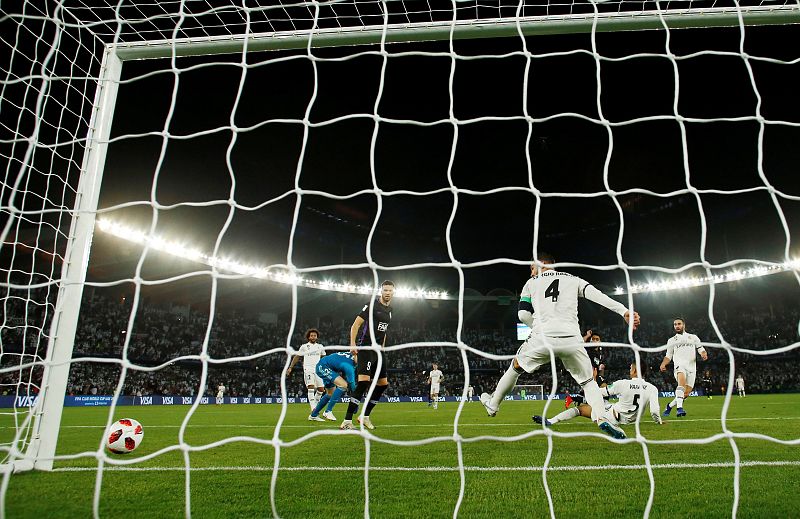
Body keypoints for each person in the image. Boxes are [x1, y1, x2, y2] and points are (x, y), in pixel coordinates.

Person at [480, 253, 640, 440]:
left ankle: (493, 405)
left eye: (532, 267)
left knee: (516, 366)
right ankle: (602, 418)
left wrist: (536, 328)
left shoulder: (531, 283)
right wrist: (624, 311)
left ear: (542, 264)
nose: (531, 272)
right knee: (589, 382)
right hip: (571, 338)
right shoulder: (573, 280)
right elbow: (597, 295)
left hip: (542, 337)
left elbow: (522, 315)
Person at [534, 362, 662, 429]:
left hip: (612, 415)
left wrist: (593, 380)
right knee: (604, 404)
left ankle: (550, 421)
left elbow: (599, 392)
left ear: (635, 370)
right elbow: (654, 411)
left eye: (630, 368)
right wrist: (659, 422)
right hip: (629, 419)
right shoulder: (652, 388)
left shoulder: (623, 383)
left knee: (580, 409)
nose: (629, 371)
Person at [340, 280, 395, 431]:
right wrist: (352, 344)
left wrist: (383, 348)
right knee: (363, 382)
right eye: (385, 290)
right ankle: (347, 421)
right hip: (366, 348)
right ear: (381, 291)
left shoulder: (390, 310)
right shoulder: (371, 305)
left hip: (378, 351)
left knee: (383, 384)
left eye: (390, 290)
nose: (387, 293)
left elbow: (384, 331)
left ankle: (364, 416)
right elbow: (356, 325)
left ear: (393, 292)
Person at [660, 317, 708, 417]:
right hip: (679, 365)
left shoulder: (693, 337)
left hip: (692, 368)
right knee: (681, 384)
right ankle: (679, 409)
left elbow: (701, 348)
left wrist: (703, 354)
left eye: (679, 324)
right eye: (675, 324)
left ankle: (669, 406)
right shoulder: (671, 340)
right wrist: (663, 364)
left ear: (684, 325)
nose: (677, 326)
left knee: (685, 394)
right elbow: (668, 355)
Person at [308, 351, 357, 422]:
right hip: (323, 366)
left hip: (328, 366)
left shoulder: (351, 357)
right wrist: (355, 402)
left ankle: (313, 415)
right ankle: (328, 411)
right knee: (343, 385)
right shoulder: (348, 365)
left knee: (330, 393)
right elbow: (352, 384)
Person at [287, 328, 326, 412]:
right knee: (310, 386)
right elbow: (297, 356)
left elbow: (324, 358)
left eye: (315, 335)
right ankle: (313, 407)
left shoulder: (320, 346)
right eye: (311, 335)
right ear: (308, 337)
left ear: (317, 337)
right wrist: (290, 367)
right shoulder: (304, 346)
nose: (313, 337)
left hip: (318, 370)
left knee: (321, 389)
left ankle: (315, 405)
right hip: (308, 369)